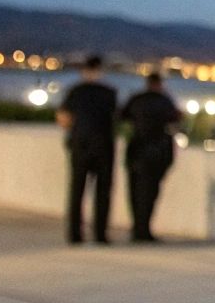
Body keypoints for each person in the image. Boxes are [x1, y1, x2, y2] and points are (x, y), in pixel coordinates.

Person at [56, 55, 118, 244]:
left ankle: (75, 234)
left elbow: (63, 118)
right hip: (104, 145)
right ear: (101, 69)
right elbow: (115, 118)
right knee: (103, 192)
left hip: (80, 144)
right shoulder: (109, 92)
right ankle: (100, 233)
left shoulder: (75, 91)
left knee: (77, 190)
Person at [120, 72, 180, 242]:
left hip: (136, 150)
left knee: (135, 191)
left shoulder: (137, 99)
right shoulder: (165, 101)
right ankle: (143, 229)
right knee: (150, 192)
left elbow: (123, 116)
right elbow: (175, 121)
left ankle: (138, 228)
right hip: (156, 152)